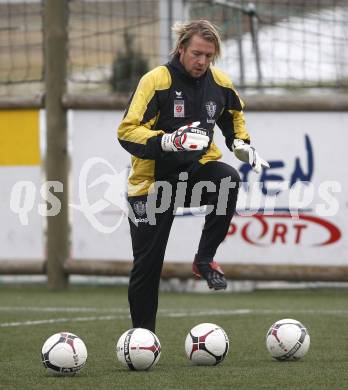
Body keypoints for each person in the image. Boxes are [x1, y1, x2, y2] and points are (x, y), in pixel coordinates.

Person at [117, 20, 269, 332]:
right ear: (182, 48)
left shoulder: (220, 84)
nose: (202, 62)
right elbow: (126, 132)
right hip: (151, 187)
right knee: (147, 266)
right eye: (197, 54)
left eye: (209, 56)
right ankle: (144, 337)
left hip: (193, 177)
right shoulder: (156, 81)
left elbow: (234, 119)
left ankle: (205, 260)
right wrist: (166, 141)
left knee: (227, 177)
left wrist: (242, 146)